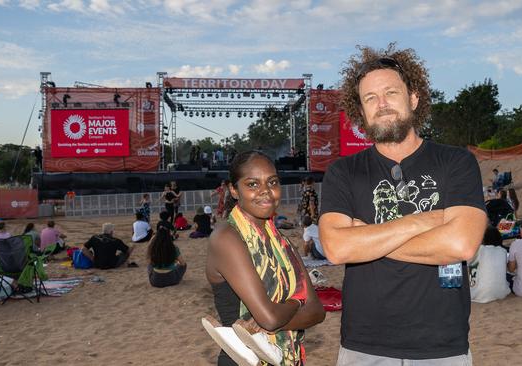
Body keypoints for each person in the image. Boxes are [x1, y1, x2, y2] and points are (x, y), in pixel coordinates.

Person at [319, 45, 486, 363]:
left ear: (413, 98)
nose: (381, 105)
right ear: (361, 111)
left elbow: (462, 244)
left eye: (390, 93)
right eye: (370, 98)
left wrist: (367, 236)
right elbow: (337, 249)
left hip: (442, 347)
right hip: (363, 347)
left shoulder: (456, 162)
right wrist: (421, 222)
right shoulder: (343, 171)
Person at [205, 150, 325, 365]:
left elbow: (317, 312)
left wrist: (274, 320)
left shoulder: (283, 243)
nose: (265, 192)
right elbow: (269, 318)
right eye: (252, 184)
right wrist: (297, 301)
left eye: (272, 182)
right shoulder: (226, 238)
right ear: (234, 190)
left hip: (287, 358)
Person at [468, 226, 511, 303]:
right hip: (501, 293)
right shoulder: (503, 251)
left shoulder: (480, 249)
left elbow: (468, 262)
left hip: (482, 294)